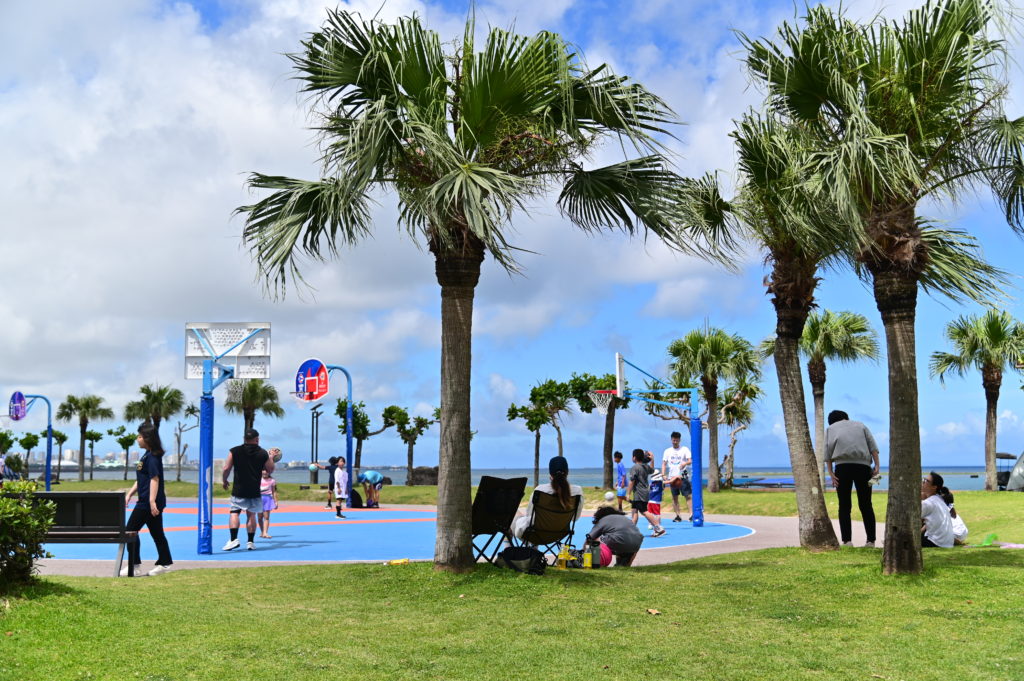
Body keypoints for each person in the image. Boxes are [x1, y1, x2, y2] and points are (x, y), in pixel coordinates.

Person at [122, 422, 173, 576]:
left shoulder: (153, 457)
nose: (137, 439)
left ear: (147, 438)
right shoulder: (147, 455)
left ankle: (134, 566)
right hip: (147, 501)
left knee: (130, 531)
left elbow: (154, 479)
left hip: (147, 503)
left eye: (140, 436)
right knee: (157, 533)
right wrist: (130, 494)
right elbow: (142, 479)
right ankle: (164, 564)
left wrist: (151, 501)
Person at [824, 410, 880, 547]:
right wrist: (877, 466)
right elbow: (873, 447)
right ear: (846, 418)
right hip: (864, 467)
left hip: (842, 468)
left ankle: (847, 541)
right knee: (866, 504)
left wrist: (831, 473)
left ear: (831, 421)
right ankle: (871, 541)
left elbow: (827, 453)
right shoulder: (861, 425)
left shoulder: (831, 429)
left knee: (844, 505)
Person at [221, 428, 274, 551]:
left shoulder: (234, 451)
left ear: (244, 439)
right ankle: (250, 542)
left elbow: (226, 468)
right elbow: (270, 469)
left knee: (234, 512)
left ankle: (233, 539)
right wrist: (271, 457)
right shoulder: (263, 453)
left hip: (239, 489)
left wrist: (224, 480)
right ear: (257, 439)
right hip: (254, 490)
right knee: (251, 515)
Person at [512, 455, 584, 539]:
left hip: (535, 534)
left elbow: (530, 516)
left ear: (550, 474)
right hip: (560, 534)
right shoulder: (577, 491)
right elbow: (575, 518)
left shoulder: (540, 490)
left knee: (513, 515)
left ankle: (508, 546)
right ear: (567, 472)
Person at [627, 449, 665, 537]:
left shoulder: (635, 468)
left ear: (634, 458)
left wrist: (628, 493)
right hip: (643, 492)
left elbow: (632, 481)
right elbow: (652, 470)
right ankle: (632, 530)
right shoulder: (645, 466)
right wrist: (652, 460)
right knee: (634, 510)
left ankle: (658, 528)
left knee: (644, 511)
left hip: (639, 493)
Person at [661, 431, 692, 522]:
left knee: (687, 495)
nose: (675, 442)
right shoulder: (667, 451)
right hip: (672, 477)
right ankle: (678, 515)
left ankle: (691, 515)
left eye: (677, 440)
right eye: (674, 440)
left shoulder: (684, 449)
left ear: (679, 440)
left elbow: (690, 461)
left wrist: (684, 463)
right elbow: (664, 464)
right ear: (671, 440)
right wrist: (663, 474)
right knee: (674, 497)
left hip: (682, 476)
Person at [921, 472, 955, 547]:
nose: (923, 482)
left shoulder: (929, 503)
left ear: (934, 487)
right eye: (924, 480)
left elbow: (912, 518)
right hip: (947, 543)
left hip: (935, 542)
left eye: (926, 481)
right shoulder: (939, 500)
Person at [258, 469, 278, 539]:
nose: (265, 472)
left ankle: (265, 532)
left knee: (266, 517)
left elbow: (274, 492)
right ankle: (262, 532)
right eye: (263, 470)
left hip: (267, 499)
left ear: (270, 472)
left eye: (267, 471)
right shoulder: (258, 479)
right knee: (260, 517)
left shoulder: (272, 481)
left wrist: (275, 501)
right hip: (258, 499)